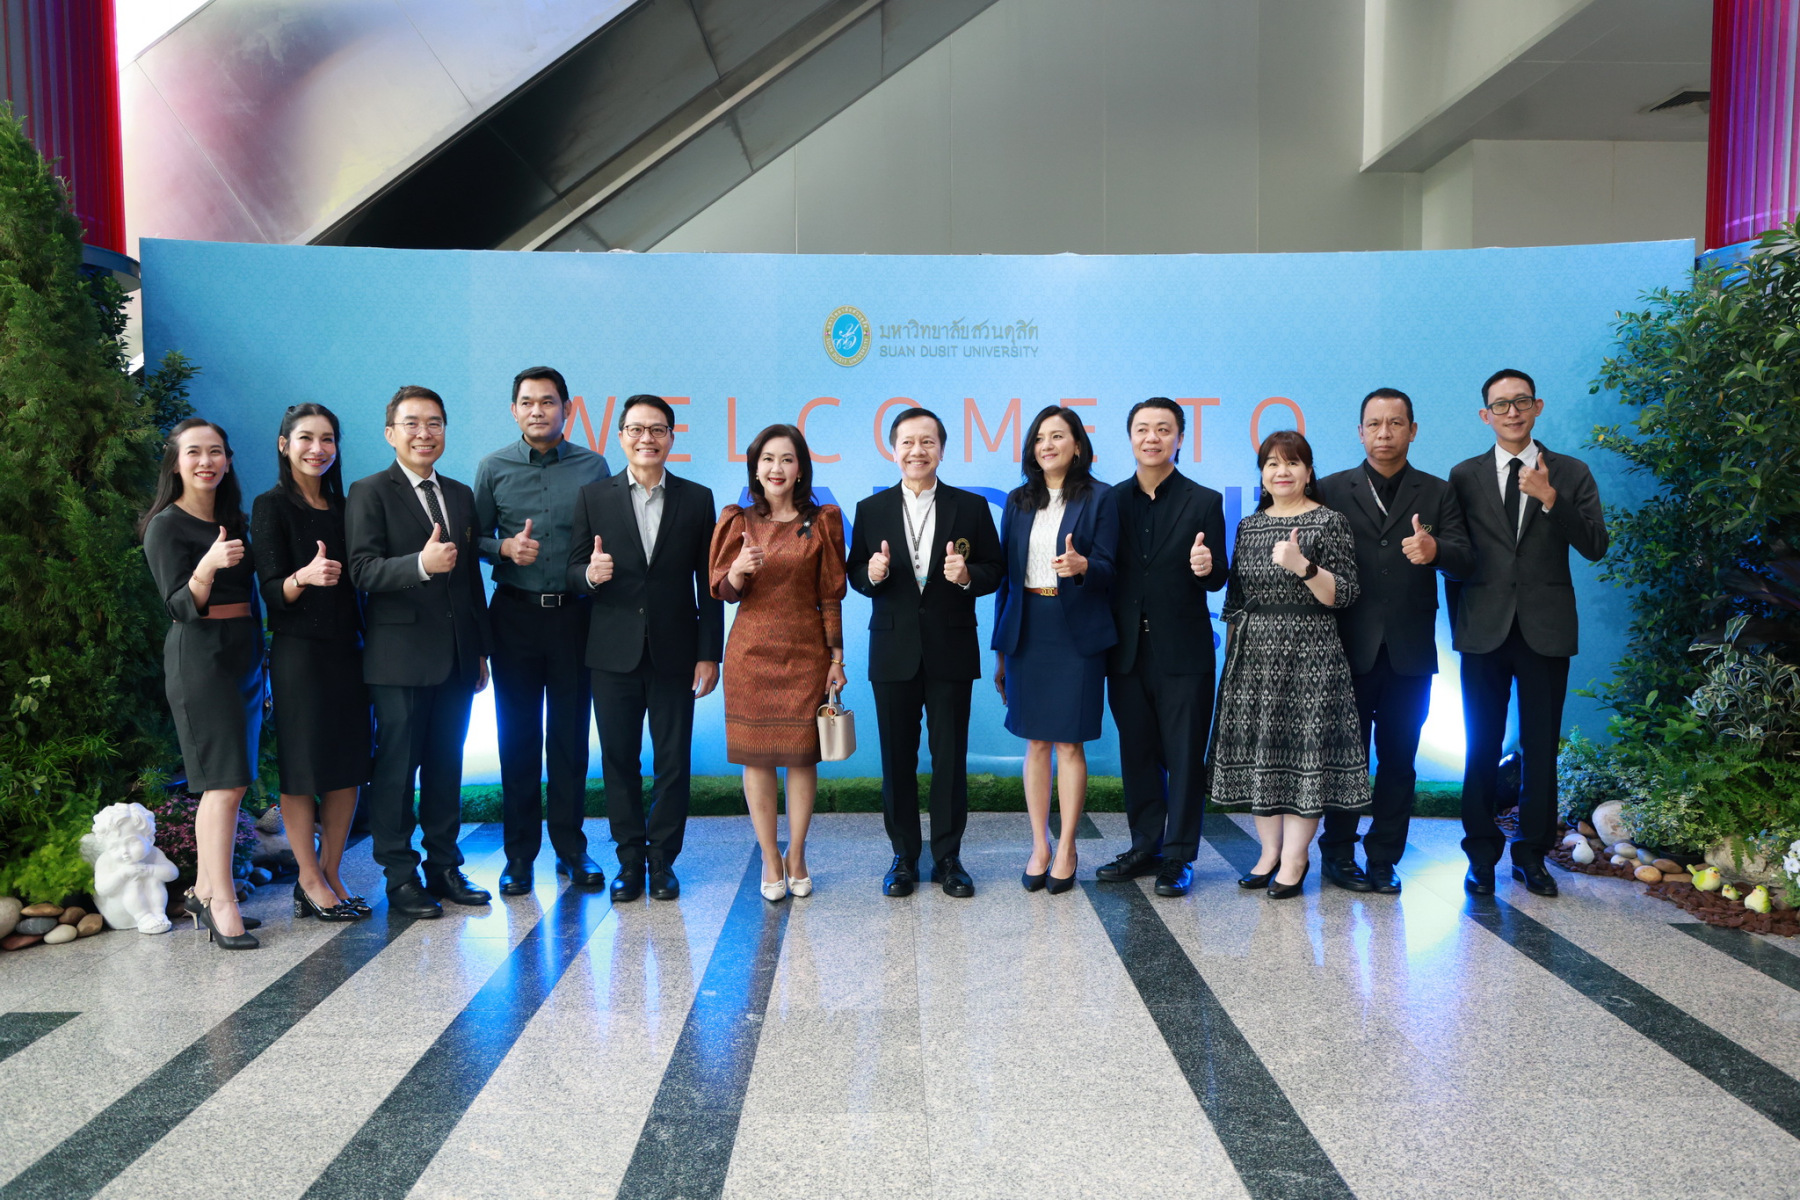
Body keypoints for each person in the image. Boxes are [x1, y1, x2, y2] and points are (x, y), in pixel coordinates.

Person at [1448, 369, 1608, 898]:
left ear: (1537, 407)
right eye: (1501, 404)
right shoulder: (1464, 475)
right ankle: (1481, 856)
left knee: (1540, 749)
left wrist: (1551, 499)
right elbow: (1456, 557)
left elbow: (1595, 545)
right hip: (1484, 629)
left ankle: (1532, 855)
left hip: (1546, 629)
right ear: (1485, 415)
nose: (1512, 412)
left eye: (1521, 402)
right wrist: (1460, 621)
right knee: (1480, 745)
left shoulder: (1571, 472)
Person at [1315, 388, 1473, 895]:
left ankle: (1384, 858)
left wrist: (1435, 549)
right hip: (1345, 648)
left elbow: (1465, 558)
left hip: (1410, 651)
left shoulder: (1438, 491)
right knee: (1344, 759)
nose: (1384, 433)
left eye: (1395, 423)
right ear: (1360, 431)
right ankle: (1337, 854)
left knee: (1400, 761)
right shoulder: (1331, 488)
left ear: (1413, 430)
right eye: (1374, 424)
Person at [346, 385, 492, 919]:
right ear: (391, 433)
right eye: (412, 423)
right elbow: (361, 570)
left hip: (456, 656)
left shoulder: (459, 493)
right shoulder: (369, 491)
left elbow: (470, 578)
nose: (424, 433)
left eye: (434, 423)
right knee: (397, 770)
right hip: (399, 659)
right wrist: (420, 565)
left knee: (446, 766)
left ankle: (444, 867)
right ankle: (400, 876)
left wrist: (480, 650)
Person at [569, 394, 722, 903]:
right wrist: (589, 574)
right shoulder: (593, 497)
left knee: (673, 760)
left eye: (657, 429)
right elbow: (572, 570)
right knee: (619, 759)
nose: (646, 439)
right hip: (612, 653)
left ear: (671, 438)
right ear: (620, 438)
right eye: (636, 429)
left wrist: (709, 652)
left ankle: (662, 860)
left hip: (676, 652)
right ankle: (630, 860)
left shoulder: (697, 499)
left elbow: (708, 583)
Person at [847, 408, 1001, 899]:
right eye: (908, 442)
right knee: (897, 760)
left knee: (949, 758)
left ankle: (949, 858)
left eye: (927, 442)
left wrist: (968, 576)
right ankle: (904, 857)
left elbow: (995, 568)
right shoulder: (871, 509)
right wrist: (870, 574)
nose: (918, 451)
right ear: (893, 449)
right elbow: (854, 573)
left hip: (950, 647)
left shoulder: (970, 506)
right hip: (893, 649)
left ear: (942, 449)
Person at [1212, 430, 1368, 899]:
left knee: (1304, 754)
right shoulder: (1248, 525)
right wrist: (1234, 664)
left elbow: (1344, 594)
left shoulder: (1328, 521)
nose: (1282, 472)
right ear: (1262, 474)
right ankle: (1268, 853)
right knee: (1265, 753)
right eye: (1272, 464)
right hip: (1254, 656)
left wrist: (1303, 565)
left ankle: (1296, 858)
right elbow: (1235, 600)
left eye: (1292, 463)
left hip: (1311, 654)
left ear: (1308, 471)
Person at [474, 366, 611, 896]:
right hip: (514, 617)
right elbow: (472, 537)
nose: (538, 410)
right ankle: (519, 855)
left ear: (566, 409)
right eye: (528, 402)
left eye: (548, 402)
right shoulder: (493, 467)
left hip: (576, 616)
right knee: (518, 737)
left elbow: (605, 537)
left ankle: (572, 848)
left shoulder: (593, 466)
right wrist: (504, 548)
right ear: (514, 410)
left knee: (571, 739)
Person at [710, 424, 848, 902]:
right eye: (767, 459)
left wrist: (836, 656)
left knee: (802, 757)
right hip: (750, 655)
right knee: (758, 757)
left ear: (801, 469)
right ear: (755, 468)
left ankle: (798, 853)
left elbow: (830, 594)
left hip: (806, 654)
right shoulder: (737, 521)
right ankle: (770, 856)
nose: (777, 468)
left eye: (787, 459)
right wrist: (737, 571)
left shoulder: (823, 521)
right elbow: (723, 591)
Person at [141, 418, 265, 949]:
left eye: (215, 452)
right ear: (175, 462)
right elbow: (177, 606)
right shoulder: (165, 526)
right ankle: (222, 903)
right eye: (194, 452)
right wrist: (208, 565)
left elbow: (252, 596)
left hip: (244, 654)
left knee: (233, 781)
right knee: (224, 781)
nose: (206, 461)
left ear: (228, 460)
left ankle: (203, 891)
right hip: (200, 657)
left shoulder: (233, 519)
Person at [1099, 398, 1228, 899]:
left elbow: (1218, 575)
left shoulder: (1204, 500)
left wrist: (1206, 568)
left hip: (1184, 651)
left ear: (1180, 437)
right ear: (1130, 437)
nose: (1151, 438)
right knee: (1138, 753)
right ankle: (1145, 845)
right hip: (1126, 650)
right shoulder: (1109, 501)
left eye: (1163, 429)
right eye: (1142, 429)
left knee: (1184, 755)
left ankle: (1179, 856)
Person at [251, 403, 371, 923]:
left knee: (348, 767)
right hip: (299, 653)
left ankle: (331, 872)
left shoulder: (347, 506)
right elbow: (270, 591)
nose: (317, 449)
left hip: (350, 650)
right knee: (302, 770)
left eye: (327, 439)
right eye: (305, 438)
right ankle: (307, 877)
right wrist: (304, 577)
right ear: (285, 445)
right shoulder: (270, 505)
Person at [992, 406, 1118, 894]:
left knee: (1068, 742)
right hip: (1027, 627)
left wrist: (1084, 566)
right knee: (1036, 742)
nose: (1047, 445)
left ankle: (1067, 847)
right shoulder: (1018, 500)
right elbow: (1006, 578)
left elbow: (1112, 568)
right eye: (1040, 437)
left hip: (1076, 630)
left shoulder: (1101, 497)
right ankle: (1039, 845)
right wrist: (1000, 647)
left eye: (1058, 436)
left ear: (1077, 446)